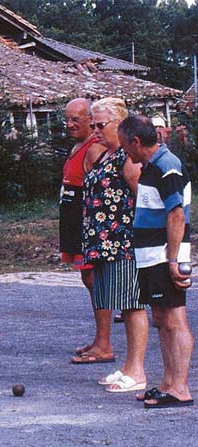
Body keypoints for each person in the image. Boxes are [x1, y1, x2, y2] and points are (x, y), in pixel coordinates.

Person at [118, 114, 194, 408]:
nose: (126, 152)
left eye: (126, 146)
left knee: (175, 318)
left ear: (136, 141)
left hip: (165, 255)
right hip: (150, 256)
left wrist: (173, 259)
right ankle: (167, 383)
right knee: (161, 319)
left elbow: (176, 213)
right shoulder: (150, 166)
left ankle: (181, 388)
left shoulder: (167, 166)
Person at [75, 98, 149, 394]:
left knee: (133, 305)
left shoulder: (128, 160)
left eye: (100, 125)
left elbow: (143, 200)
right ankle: (129, 367)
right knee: (121, 303)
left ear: (120, 124)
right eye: (92, 125)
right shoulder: (106, 155)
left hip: (124, 243)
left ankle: (138, 370)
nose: (95, 130)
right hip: (103, 244)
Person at [59, 98, 111, 360]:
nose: (69, 124)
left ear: (90, 120)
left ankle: (104, 345)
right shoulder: (78, 146)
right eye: (66, 119)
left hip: (87, 221)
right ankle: (99, 340)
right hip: (72, 220)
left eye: (75, 119)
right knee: (87, 280)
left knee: (94, 279)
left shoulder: (94, 148)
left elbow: (100, 190)